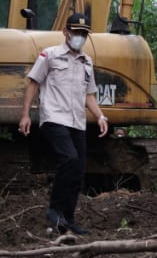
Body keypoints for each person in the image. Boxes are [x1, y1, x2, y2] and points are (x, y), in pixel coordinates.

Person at [17, 12, 110, 235]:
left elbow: (89, 95)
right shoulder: (50, 55)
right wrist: (25, 114)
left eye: (84, 34)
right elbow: (32, 83)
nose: (79, 37)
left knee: (78, 171)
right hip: (54, 117)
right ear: (66, 32)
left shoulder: (87, 61)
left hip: (77, 121)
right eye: (76, 32)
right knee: (68, 158)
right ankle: (54, 210)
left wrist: (100, 116)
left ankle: (68, 219)